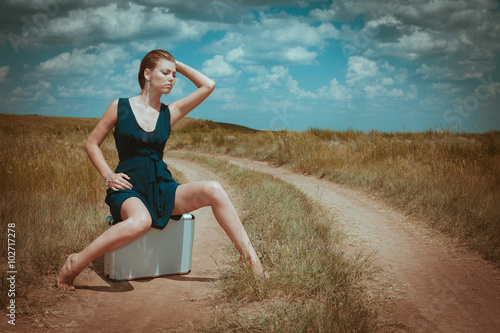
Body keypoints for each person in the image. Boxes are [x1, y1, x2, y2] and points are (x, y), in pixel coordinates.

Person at [56, 50, 265, 291]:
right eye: (165, 72)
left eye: (174, 75)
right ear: (147, 73)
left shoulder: (170, 112)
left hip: (162, 186)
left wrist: (176, 63)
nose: (172, 79)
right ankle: (75, 262)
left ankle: (251, 262)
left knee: (214, 189)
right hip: (128, 187)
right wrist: (108, 175)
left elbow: (208, 85)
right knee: (141, 221)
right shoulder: (120, 106)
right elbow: (91, 144)